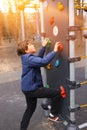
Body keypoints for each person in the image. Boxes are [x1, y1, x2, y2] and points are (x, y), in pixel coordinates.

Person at [17, 39, 66, 130]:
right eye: (30, 45)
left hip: (27, 89)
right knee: (56, 93)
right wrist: (54, 51)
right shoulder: (29, 58)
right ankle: (53, 114)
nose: (33, 45)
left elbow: (38, 59)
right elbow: (43, 62)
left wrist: (43, 47)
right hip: (33, 89)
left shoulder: (27, 58)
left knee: (30, 110)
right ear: (26, 50)